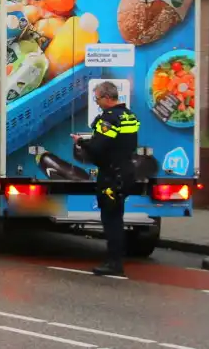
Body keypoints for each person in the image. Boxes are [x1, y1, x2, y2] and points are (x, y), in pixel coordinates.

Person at [78, 81, 140, 277]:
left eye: (97, 98)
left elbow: (99, 147)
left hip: (111, 175)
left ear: (106, 98)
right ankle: (115, 259)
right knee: (117, 217)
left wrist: (81, 142)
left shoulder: (109, 118)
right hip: (126, 171)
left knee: (111, 219)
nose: (97, 102)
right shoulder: (128, 115)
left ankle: (114, 263)